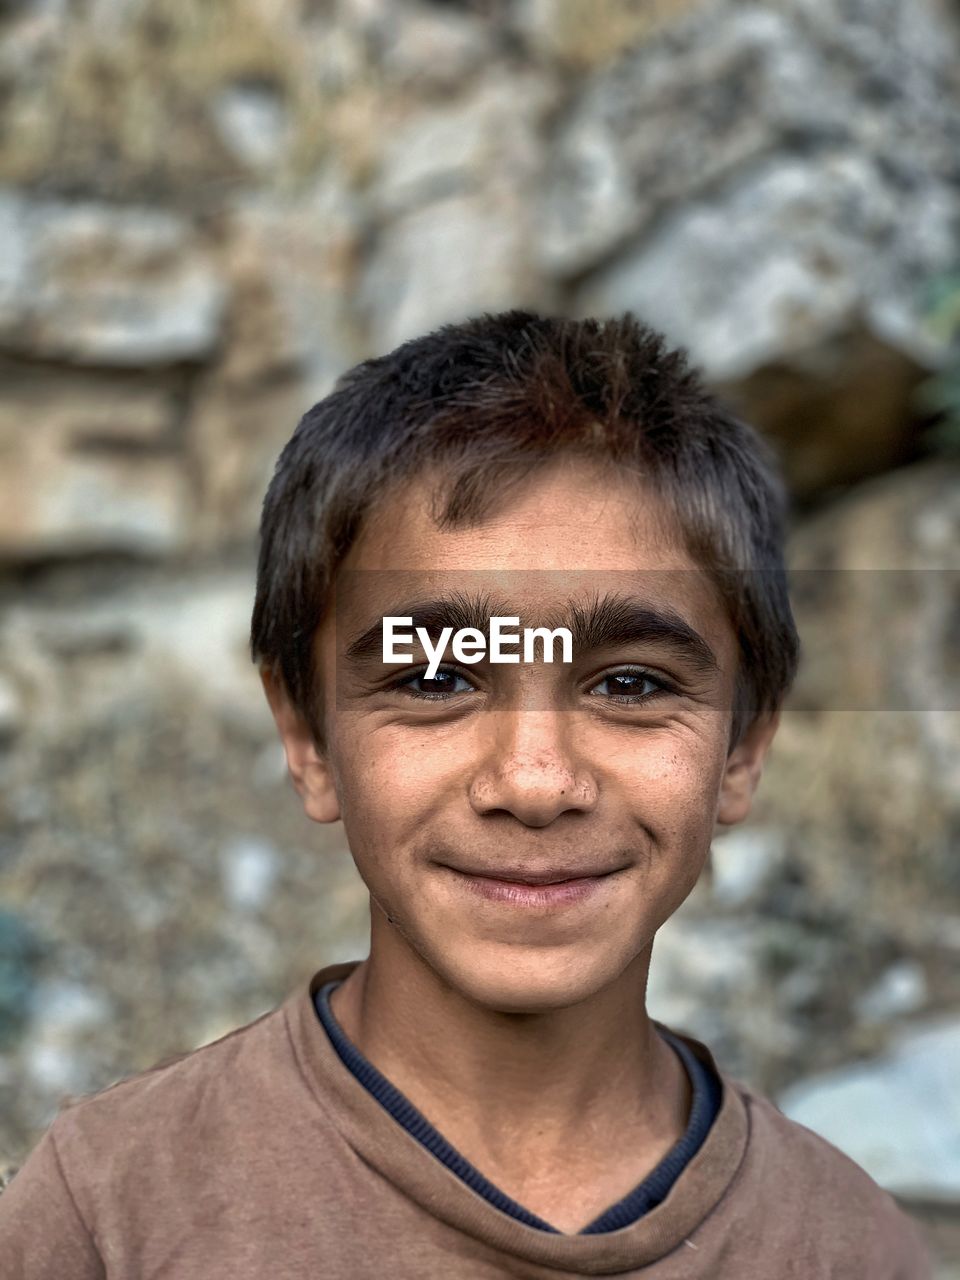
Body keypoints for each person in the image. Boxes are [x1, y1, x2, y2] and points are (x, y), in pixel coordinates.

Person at [0, 312, 931, 1277]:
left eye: (630, 683)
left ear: (741, 748)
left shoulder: (844, 1249)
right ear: (310, 737)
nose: (534, 781)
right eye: (439, 678)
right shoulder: (113, 1211)